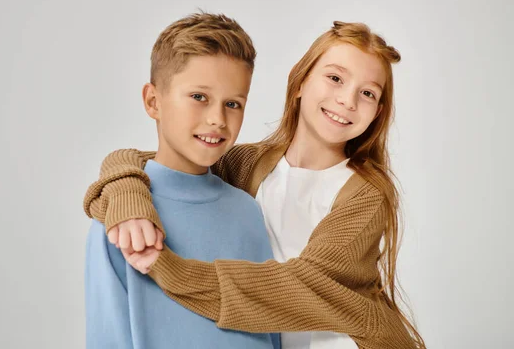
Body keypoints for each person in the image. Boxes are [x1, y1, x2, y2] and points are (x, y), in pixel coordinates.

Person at [85, 21, 426, 349]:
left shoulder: (366, 194)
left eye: (367, 93)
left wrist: (169, 270)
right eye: (335, 78)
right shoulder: (247, 164)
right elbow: (160, 165)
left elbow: (297, 290)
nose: (347, 101)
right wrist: (128, 197)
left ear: (378, 112)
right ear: (301, 82)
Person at [84, 12, 280, 349]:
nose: (218, 119)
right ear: (153, 101)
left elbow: (268, 323)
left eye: (232, 103)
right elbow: (109, 337)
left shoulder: (248, 211)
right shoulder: (121, 220)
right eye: (199, 97)